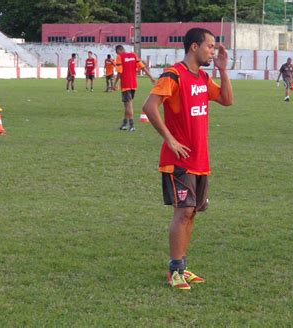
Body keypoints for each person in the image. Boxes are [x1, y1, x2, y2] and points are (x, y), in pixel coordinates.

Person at [141, 28, 233, 290]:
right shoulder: (174, 75)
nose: (212, 51)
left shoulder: (203, 78)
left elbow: (227, 100)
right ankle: (174, 271)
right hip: (178, 159)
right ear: (194, 47)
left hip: (200, 160)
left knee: (191, 214)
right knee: (183, 213)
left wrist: (223, 70)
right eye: (209, 46)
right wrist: (169, 139)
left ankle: (182, 266)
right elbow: (149, 106)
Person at [113, 45, 155, 132]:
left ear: (118, 51)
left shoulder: (119, 57)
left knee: (128, 104)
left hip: (125, 84)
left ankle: (132, 125)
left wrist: (115, 83)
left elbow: (119, 72)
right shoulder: (133, 55)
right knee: (127, 104)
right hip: (133, 84)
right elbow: (142, 67)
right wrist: (151, 77)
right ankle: (124, 124)